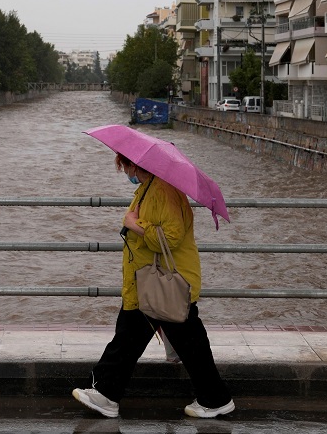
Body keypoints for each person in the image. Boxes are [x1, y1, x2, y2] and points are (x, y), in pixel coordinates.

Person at [72, 153, 234, 419]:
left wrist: (135, 225)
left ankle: (106, 394)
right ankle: (213, 398)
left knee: (141, 339)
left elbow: (170, 237)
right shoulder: (150, 187)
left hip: (163, 282)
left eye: (124, 166)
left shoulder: (163, 191)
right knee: (145, 338)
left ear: (135, 164)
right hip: (154, 281)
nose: (124, 172)